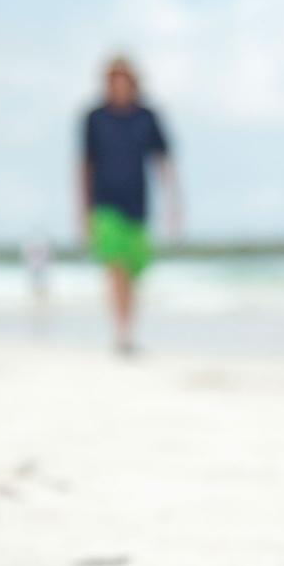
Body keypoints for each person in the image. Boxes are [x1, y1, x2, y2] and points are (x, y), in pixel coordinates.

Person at [78, 55, 183, 354]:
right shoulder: (94, 118)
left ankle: (128, 330)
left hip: (138, 205)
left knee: (134, 273)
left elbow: (164, 162)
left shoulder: (147, 117)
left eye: (124, 80)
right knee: (117, 268)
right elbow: (84, 167)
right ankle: (121, 333)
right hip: (105, 205)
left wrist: (174, 204)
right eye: (114, 80)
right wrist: (83, 213)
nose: (119, 86)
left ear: (134, 83)